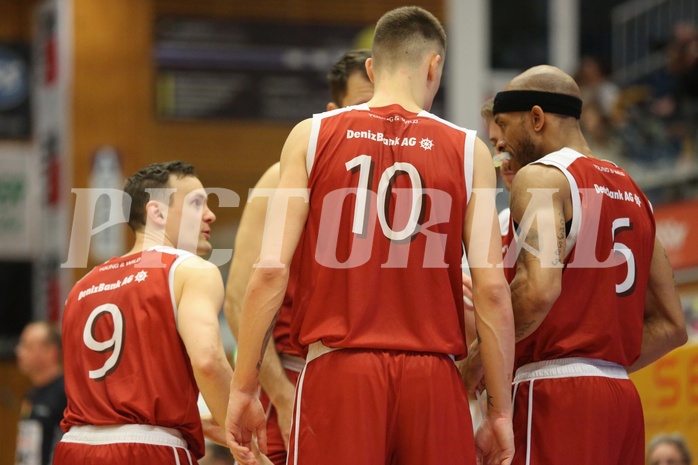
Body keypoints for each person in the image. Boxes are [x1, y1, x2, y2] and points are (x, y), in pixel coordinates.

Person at [226, 6, 514, 465]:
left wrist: (244, 387)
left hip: (339, 372)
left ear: (372, 68)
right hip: (433, 379)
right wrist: (500, 412)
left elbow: (270, 272)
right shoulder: (469, 151)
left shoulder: (310, 136)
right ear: (434, 65)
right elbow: (494, 292)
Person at [492, 65, 688, 465]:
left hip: (553, 393)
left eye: (504, 127)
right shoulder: (636, 193)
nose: (504, 146)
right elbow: (672, 326)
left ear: (536, 118)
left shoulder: (541, 177)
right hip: (621, 397)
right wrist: (598, 361)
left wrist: (478, 364)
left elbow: (539, 290)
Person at [223, 49, 373, 465]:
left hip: (379, 379)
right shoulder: (282, 178)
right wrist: (282, 394)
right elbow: (238, 300)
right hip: (298, 374)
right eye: (363, 105)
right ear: (331, 112)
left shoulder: (412, 183)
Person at [53, 161, 235, 464]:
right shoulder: (190, 270)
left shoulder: (82, 287)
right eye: (197, 203)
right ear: (157, 212)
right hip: (148, 450)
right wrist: (240, 430)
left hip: (73, 447)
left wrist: (192, 420)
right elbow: (209, 360)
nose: (210, 214)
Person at [14, 321, 66, 465]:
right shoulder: (30, 394)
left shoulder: (66, 392)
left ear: (51, 352)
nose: (19, 351)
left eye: (27, 345)